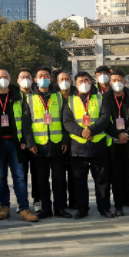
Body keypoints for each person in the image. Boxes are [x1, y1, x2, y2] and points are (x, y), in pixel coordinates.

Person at [0, 69, 39, 222]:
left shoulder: (19, 96)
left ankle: (24, 209)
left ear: (10, 79)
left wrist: (24, 140)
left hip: (16, 143)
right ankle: (4, 207)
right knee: (0, 178)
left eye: (5, 77)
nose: (3, 79)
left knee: (20, 177)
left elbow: (25, 120)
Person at [62, 71, 115, 219]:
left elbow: (105, 118)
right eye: (80, 81)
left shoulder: (100, 98)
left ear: (91, 82)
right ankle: (82, 209)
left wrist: (91, 130)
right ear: (75, 84)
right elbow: (67, 121)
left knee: (102, 181)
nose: (84, 83)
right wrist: (82, 132)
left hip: (98, 144)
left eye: (86, 80)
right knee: (79, 182)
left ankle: (104, 208)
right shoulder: (70, 100)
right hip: (78, 147)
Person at [26, 67, 72, 219]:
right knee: (42, 180)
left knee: (59, 180)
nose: (43, 78)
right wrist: (30, 143)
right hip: (39, 145)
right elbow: (26, 123)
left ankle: (60, 208)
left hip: (57, 144)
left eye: (46, 76)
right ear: (35, 79)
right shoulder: (29, 98)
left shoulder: (58, 96)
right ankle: (46, 209)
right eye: (40, 76)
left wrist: (65, 140)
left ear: (51, 79)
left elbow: (65, 120)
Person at [106, 70, 129, 217]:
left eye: (119, 79)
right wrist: (118, 134)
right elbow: (104, 120)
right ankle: (119, 206)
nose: (117, 82)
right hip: (114, 144)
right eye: (114, 80)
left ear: (125, 81)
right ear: (110, 83)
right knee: (117, 178)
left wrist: (126, 133)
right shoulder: (104, 98)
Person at [16, 68, 42, 212]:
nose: (25, 79)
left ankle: (37, 200)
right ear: (17, 80)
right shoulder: (14, 97)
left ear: (33, 80)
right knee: (21, 174)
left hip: (36, 140)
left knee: (37, 173)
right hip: (20, 142)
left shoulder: (38, 95)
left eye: (28, 76)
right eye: (22, 77)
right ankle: (22, 202)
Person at [57, 70, 78, 209]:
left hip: (75, 140)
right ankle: (61, 202)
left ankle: (74, 201)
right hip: (58, 141)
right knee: (59, 175)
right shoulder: (54, 96)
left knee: (74, 174)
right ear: (57, 82)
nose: (65, 81)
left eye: (67, 79)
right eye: (62, 79)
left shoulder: (76, 96)